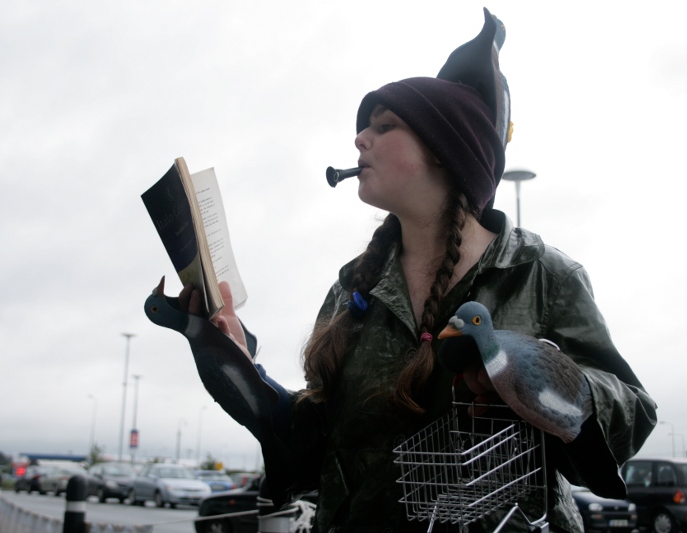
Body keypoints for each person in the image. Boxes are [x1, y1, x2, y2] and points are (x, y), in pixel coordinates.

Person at [177, 9, 657, 532]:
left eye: (385, 126)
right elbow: (307, 443)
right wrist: (231, 361)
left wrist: (556, 389)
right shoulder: (352, 288)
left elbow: (632, 413)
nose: (360, 138)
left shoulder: (539, 273)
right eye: (364, 126)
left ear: (448, 154)